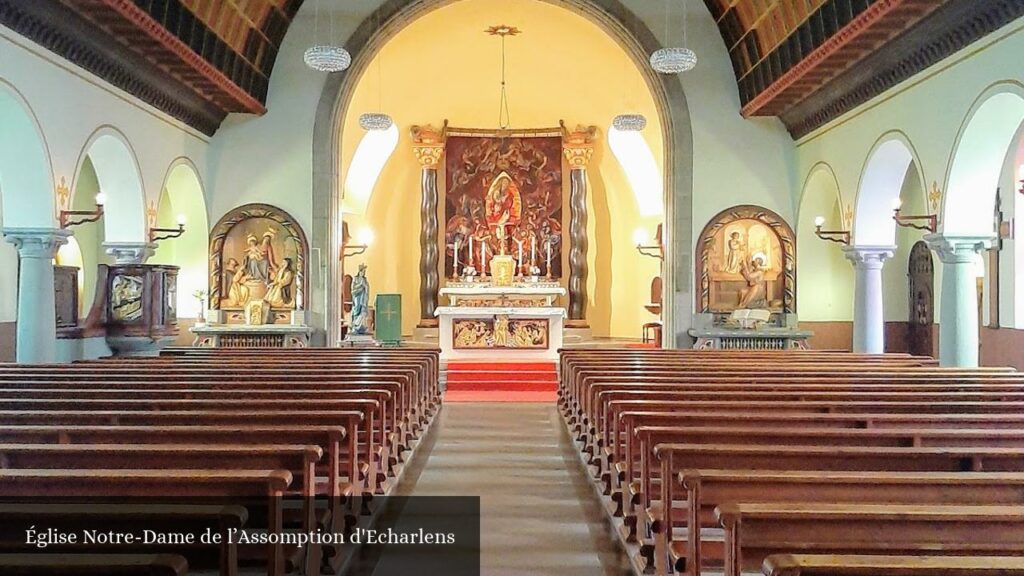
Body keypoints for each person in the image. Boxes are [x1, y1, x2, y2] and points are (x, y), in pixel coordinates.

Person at [350, 264, 370, 335]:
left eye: (364, 272)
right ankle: (355, 326)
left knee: (363, 311)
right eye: (363, 272)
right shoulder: (355, 279)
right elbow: (353, 289)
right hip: (357, 298)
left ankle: (361, 326)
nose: (363, 273)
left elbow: (367, 288)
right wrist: (360, 285)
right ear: (359, 272)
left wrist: (365, 286)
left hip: (363, 299)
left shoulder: (365, 280)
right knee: (356, 311)